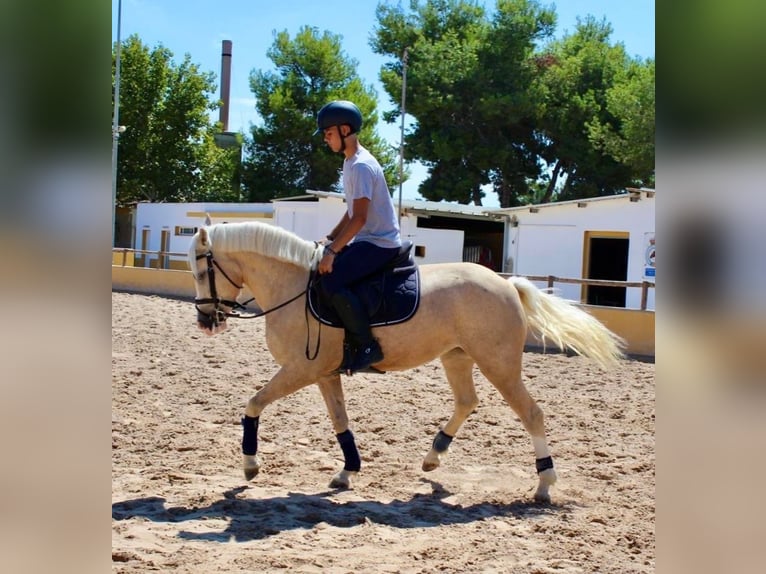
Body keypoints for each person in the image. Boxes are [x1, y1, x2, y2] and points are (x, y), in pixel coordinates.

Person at [314, 100, 402, 375]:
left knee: (331, 282)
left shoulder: (362, 166)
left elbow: (361, 218)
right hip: (367, 239)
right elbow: (351, 211)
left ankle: (366, 346)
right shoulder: (350, 163)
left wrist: (332, 253)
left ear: (344, 129)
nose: (326, 139)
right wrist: (329, 239)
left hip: (380, 243)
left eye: (328, 134)